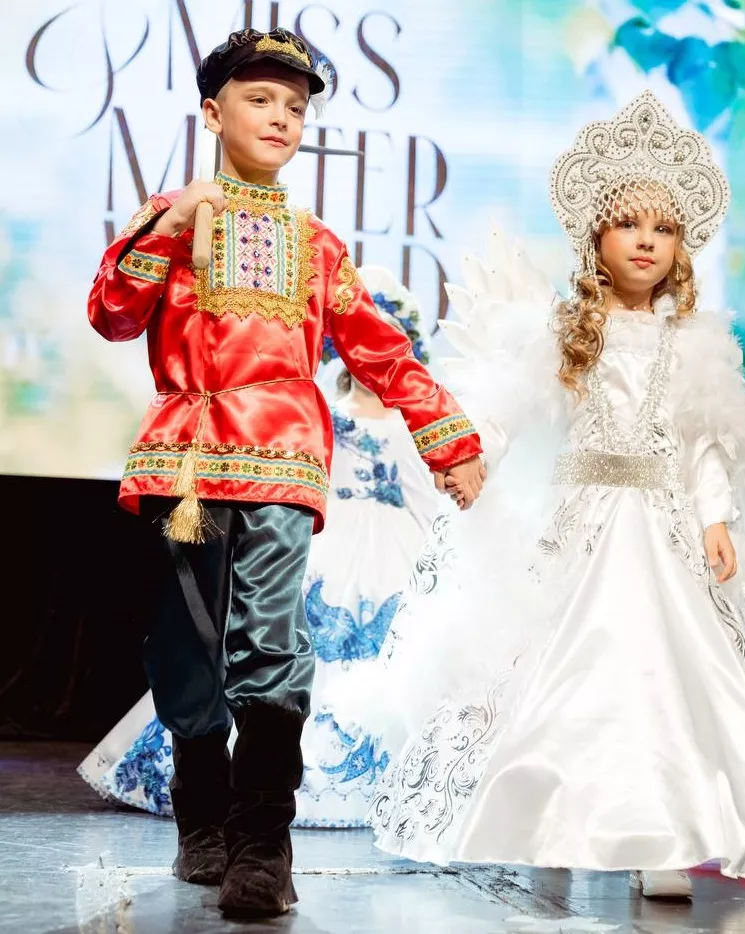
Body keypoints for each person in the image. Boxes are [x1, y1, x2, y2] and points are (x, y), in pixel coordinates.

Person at [355, 91, 745, 899]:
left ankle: (663, 839)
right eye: (628, 224)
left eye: (665, 228)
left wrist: (715, 517)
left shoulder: (693, 341)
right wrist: (470, 457)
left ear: (681, 247)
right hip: (578, 530)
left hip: (664, 533)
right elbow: (509, 410)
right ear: (594, 237)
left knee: (663, 678)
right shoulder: (563, 330)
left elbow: (703, 440)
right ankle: (550, 822)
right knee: (564, 674)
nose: (646, 241)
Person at [86, 27, 484, 919]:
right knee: (185, 650)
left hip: (282, 461)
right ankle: (201, 814)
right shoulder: (173, 218)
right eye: (259, 99)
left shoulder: (317, 245)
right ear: (212, 112)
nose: (280, 117)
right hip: (187, 461)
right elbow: (112, 316)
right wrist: (170, 227)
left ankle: (263, 844)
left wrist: (448, 440)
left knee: (269, 643)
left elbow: (382, 353)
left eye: (295, 107)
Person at [79, 266, 446, 829]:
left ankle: (285, 803)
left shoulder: (403, 424)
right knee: (258, 635)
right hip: (321, 532)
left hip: (391, 544)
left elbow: (422, 496)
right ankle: (222, 793)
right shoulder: (323, 411)